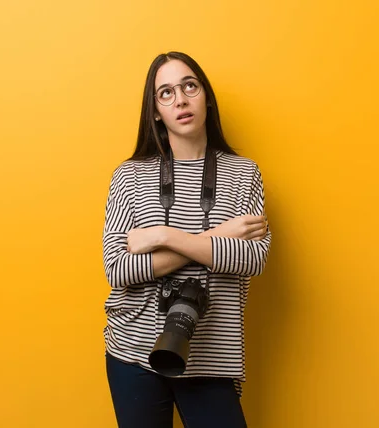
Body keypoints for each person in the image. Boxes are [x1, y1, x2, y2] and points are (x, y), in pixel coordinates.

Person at [102, 51, 271, 428]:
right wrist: (217, 239)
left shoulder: (244, 174)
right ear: (156, 112)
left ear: (206, 96)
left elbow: (253, 258)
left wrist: (162, 236)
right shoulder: (129, 177)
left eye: (189, 86)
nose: (180, 99)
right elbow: (117, 268)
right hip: (133, 349)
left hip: (212, 352)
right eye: (165, 93)